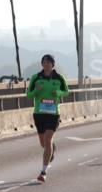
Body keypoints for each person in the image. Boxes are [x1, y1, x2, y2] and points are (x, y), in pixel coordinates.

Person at [25, 54, 69, 183]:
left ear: (53, 64)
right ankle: (51, 149)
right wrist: (36, 91)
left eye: (48, 62)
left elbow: (67, 91)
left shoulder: (59, 78)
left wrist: (59, 93)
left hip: (53, 113)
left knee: (48, 139)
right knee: (43, 144)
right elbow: (29, 95)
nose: (46, 64)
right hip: (39, 113)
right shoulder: (36, 78)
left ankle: (43, 172)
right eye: (44, 62)